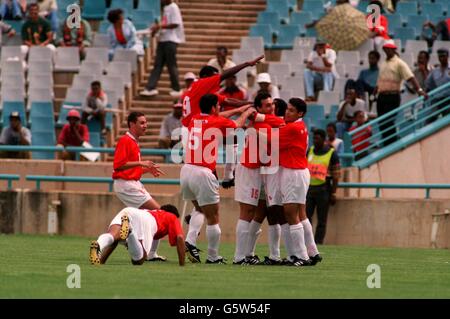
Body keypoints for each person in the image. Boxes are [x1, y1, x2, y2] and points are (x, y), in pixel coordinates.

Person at [181, 94, 255, 264]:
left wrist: (237, 109)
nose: (220, 109)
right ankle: (213, 256)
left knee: (199, 209)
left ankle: (190, 242)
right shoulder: (217, 122)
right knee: (213, 217)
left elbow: (217, 118)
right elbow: (237, 125)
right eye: (218, 106)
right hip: (202, 172)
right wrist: (247, 111)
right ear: (214, 107)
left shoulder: (195, 119)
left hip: (186, 170)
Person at [264, 98, 321, 266]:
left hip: (294, 172)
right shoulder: (297, 126)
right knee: (299, 214)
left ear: (300, 113)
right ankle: (310, 252)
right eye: (287, 109)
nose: (286, 113)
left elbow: (271, 138)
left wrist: (252, 130)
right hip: (297, 171)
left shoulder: (293, 127)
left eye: (291, 110)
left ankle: (302, 256)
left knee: (290, 214)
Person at [233, 92, 285, 265]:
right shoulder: (262, 124)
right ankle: (240, 257)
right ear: (260, 108)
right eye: (267, 105)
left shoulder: (266, 121)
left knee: (258, 214)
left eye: (272, 104)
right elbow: (275, 140)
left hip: (258, 172)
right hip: (250, 170)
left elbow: (279, 123)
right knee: (247, 213)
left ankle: (246, 254)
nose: (272, 107)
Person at [89, 205, 185, 266]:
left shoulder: (152, 211)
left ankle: (99, 246)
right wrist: (182, 264)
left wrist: (102, 262)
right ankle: (130, 231)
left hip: (129, 210)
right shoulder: (172, 217)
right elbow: (180, 238)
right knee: (139, 260)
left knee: (113, 236)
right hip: (147, 220)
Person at [375, 40, 427, 146]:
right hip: (381, 96)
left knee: (388, 122)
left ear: (393, 50)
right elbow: (381, 78)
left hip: (393, 96)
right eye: (385, 48)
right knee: (381, 123)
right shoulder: (383, 63)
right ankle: (387, 143)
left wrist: (419, 90)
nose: (387, 50)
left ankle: (392, 144)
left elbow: (410, 77)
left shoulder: (399, 63)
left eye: (389, 48)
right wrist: (376, 88)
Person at [140, 0, 185, 98]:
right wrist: (157, 29)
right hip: (163, 39)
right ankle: (150, 88)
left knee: (171, 65)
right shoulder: (165, 8)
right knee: (158, 65)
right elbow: (165, 24)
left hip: (171, 40)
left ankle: (176, 88)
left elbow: (176, 23)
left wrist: (159, 26)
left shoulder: (173, 7)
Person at [306, 129, 340, 244]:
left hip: (324, 189)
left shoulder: (332, 153)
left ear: (323, 139)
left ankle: (318, 242)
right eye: (314, 138)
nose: (315, 140)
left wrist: (334, 193)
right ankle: (308, 241)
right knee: (306, 217)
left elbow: (336, 175)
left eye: (317, 138)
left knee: (322, 220)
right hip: (309, 189)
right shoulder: (309, 151)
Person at [424, 48, 450, 123]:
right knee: (430, 119)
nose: (441, 58)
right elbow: (428, 84)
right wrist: (425, 93)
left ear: (447, 56)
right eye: (440, 56)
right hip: (437, 98)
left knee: (447, 120)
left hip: (448, 98)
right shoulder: (435, 71)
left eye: (443, 56)